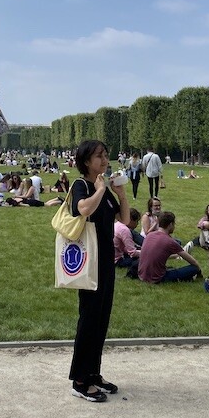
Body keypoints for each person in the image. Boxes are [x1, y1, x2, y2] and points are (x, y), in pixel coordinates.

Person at [68, 139, 129, 403]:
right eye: (99, 156)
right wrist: (100, 189)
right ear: (86, 161)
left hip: (106, 261)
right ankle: (80, 380)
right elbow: (83, 209)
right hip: (88, 262)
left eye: (105, 155)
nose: (105, 160)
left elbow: (123, 220)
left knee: (102, 318)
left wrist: (121, 194)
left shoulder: (102, 188)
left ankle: (93, 372)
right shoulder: (81, 186)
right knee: (89, 318)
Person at [138, 211, 202, 284]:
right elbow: (193, 262)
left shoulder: (150, 235)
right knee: (194, 268)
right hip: (157, 278)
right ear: (170, 224)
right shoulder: (170, 241)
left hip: (142, 275)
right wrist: (199, 271)